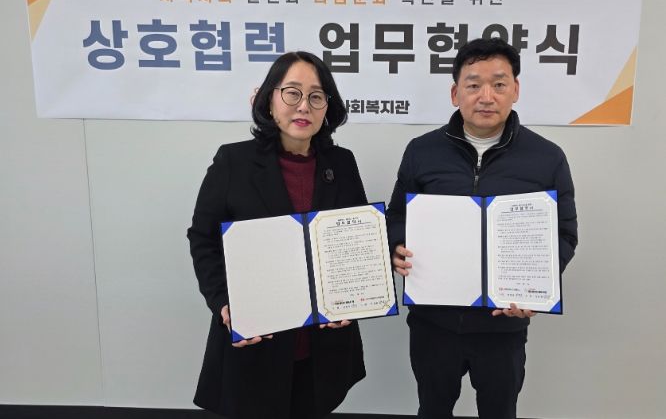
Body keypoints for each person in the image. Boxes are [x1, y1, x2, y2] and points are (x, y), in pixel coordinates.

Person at [386, 38, 578, 419]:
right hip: (433, 324)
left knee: (500, 410)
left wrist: (538, 287)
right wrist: (396, 247)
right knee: (433, 409)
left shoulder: (547, 158)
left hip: (502, 327)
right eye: (473, 85)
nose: (486, 96)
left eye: (499, 84)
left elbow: (564, 234)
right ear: (455, 93)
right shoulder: (421, 151)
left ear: (515, 90)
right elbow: (397, 217)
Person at [187, 51, 367, 419]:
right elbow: (203, 239)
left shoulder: (342, 163)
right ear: (269, 100)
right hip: (256, 339)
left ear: (327, 107)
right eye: (292, 92)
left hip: (322, 344)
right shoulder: (233, 162)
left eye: (316, 96)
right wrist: (223, 302)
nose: (304, 106)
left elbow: (359, 242)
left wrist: (354, 300)